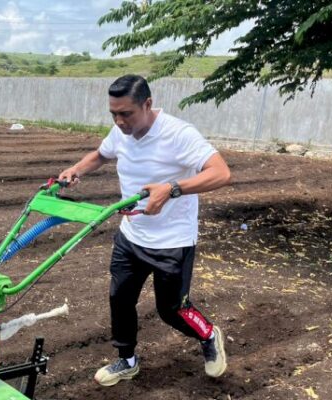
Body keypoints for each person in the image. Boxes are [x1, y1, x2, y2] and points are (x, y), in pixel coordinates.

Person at [58, 74, 231, 386]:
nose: (119, 121)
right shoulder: (120, 131)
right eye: (113, 114)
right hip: (132, 235)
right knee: (120, 298)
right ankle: (127, 359)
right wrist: (76, 169)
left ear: (147, 104)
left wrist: (172, 189)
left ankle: (208, 334)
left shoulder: (179, 134)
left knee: (171, 310)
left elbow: (220, 173)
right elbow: (102, 154)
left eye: (126, 114)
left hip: (172, 241)